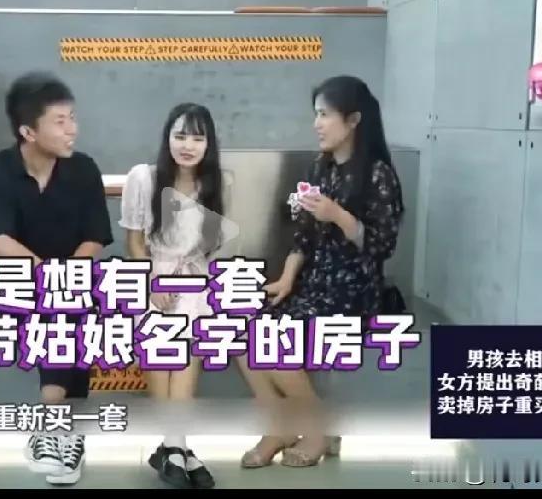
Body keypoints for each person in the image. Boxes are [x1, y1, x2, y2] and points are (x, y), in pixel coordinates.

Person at [238, 75, 404, 468]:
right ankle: (279, 425)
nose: (317, 124)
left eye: (325, 115)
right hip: (312, 282)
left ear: (353, 120)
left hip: (353, 288)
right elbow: (304, 238)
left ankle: (316, 429)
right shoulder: (319, 168)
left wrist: (338, 215)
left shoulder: (378, 174)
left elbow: (382, 246)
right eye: (316, 114)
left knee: (273, 342)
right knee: (239, 330)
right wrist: (286, 278)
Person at [0, 72, 113, 485]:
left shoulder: (83, 169)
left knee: (72, 307)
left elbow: (94, 237)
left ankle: (54, 429)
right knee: (65, 309)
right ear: (28, 131)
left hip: (71, 280)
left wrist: (66, 276)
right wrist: (53, 277)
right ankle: (59, 430)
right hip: (15, 284)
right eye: (60, 121)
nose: (73, 130)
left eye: (73, 118)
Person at [119, 103, 227, 489]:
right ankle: (179, 449)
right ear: (167, 138)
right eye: (180, 135)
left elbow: (209, 248)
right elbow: (134, 240)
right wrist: (152, 281)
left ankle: (172, 448)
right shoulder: (144, 178)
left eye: (197, 138)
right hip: (150, 276)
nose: (188, 145)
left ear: (209, 144)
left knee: (186, 355)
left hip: (193, 279)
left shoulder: (213, 185)